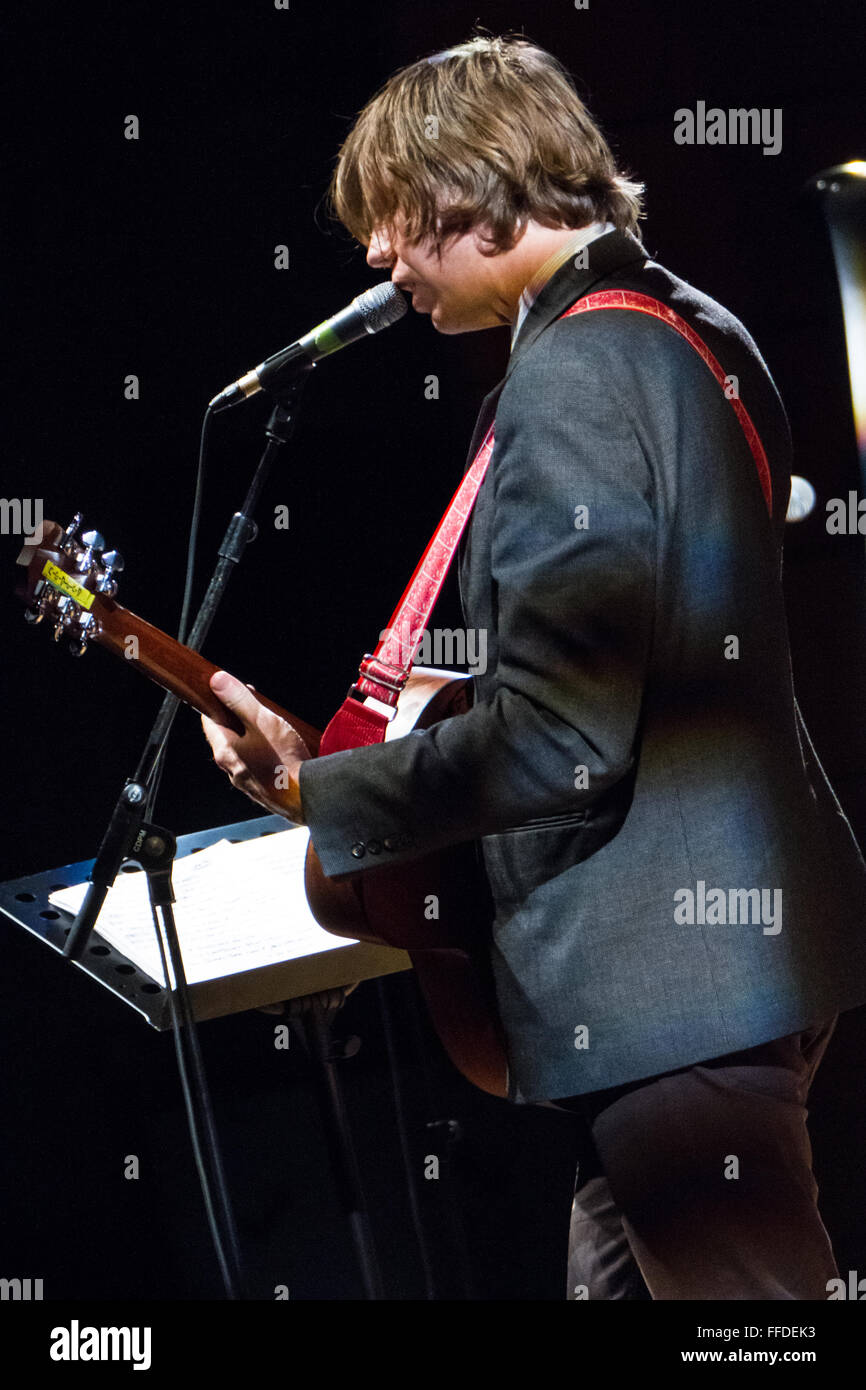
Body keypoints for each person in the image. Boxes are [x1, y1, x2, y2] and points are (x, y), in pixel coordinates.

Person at [201, 35, 866, 1299]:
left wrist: (322, 792)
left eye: (389, 217)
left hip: (668, 981)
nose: (375, 257)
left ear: (471, 184)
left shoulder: (568, 376)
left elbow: (565, 726)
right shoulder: (692, 325)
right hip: (722, 959)